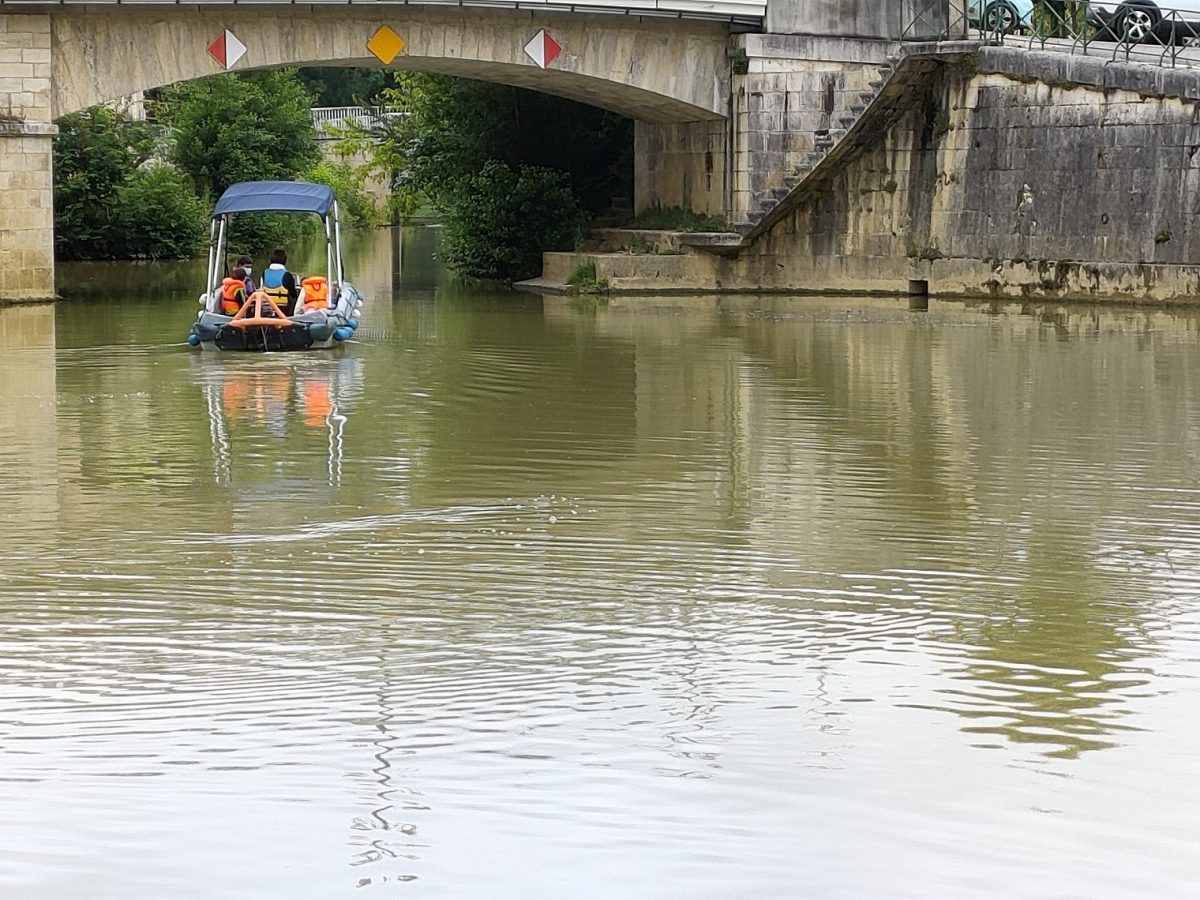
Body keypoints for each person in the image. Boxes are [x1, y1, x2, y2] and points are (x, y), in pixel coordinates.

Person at [261, 248, 299, 316]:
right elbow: (293, 294)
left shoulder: (264, 273)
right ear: (285, 261)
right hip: (283, 310)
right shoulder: (287, 275)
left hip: (267, 308)